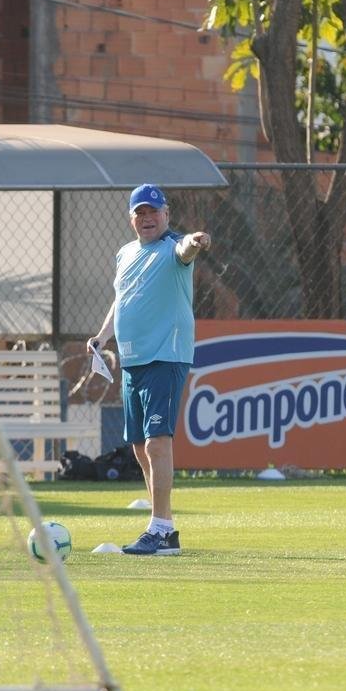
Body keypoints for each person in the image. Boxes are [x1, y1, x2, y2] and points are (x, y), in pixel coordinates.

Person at [88, 184, 210, 556]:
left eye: (153, 212)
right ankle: (163, 527)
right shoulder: (125, 254)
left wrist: (195, 241)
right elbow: (120, 299)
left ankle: (160, 528)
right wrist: (102, 335)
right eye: (140, 213)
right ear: (131, 219)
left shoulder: (172, 248)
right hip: (133, 361)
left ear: (167, 215)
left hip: (165, 356)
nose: (147, 218)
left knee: (158, 442)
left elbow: (186, 249)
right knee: (140, 448)